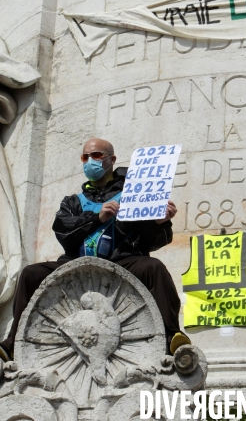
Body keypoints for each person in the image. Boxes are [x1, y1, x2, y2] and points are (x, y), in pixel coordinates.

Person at [0, 137, 190, 362]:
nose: (90, 161)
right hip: (75, 263)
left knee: (154, 268)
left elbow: (148, 241)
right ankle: (13, 343)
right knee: (31, 274)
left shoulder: (134, 193)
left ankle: (171, 336)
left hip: (121, 261)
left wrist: (160, 223)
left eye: (97, 156)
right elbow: (63, 231)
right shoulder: (73, 202)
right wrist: (97, 217)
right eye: (85, 157)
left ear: (112, 160)